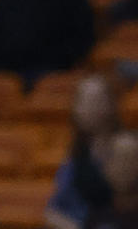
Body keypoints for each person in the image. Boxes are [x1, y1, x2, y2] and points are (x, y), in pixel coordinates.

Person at [47, 74, 121, 229]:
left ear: (111, 104)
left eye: (95, 100)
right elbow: (54, 211)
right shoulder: (74, 156)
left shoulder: (126, 149)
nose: (88, 107)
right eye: (83, 101)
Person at [85, 129, 138, 229]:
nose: (123, 166)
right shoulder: (97, 216)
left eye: (129, 158)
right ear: (106, 166)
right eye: (116, 158)